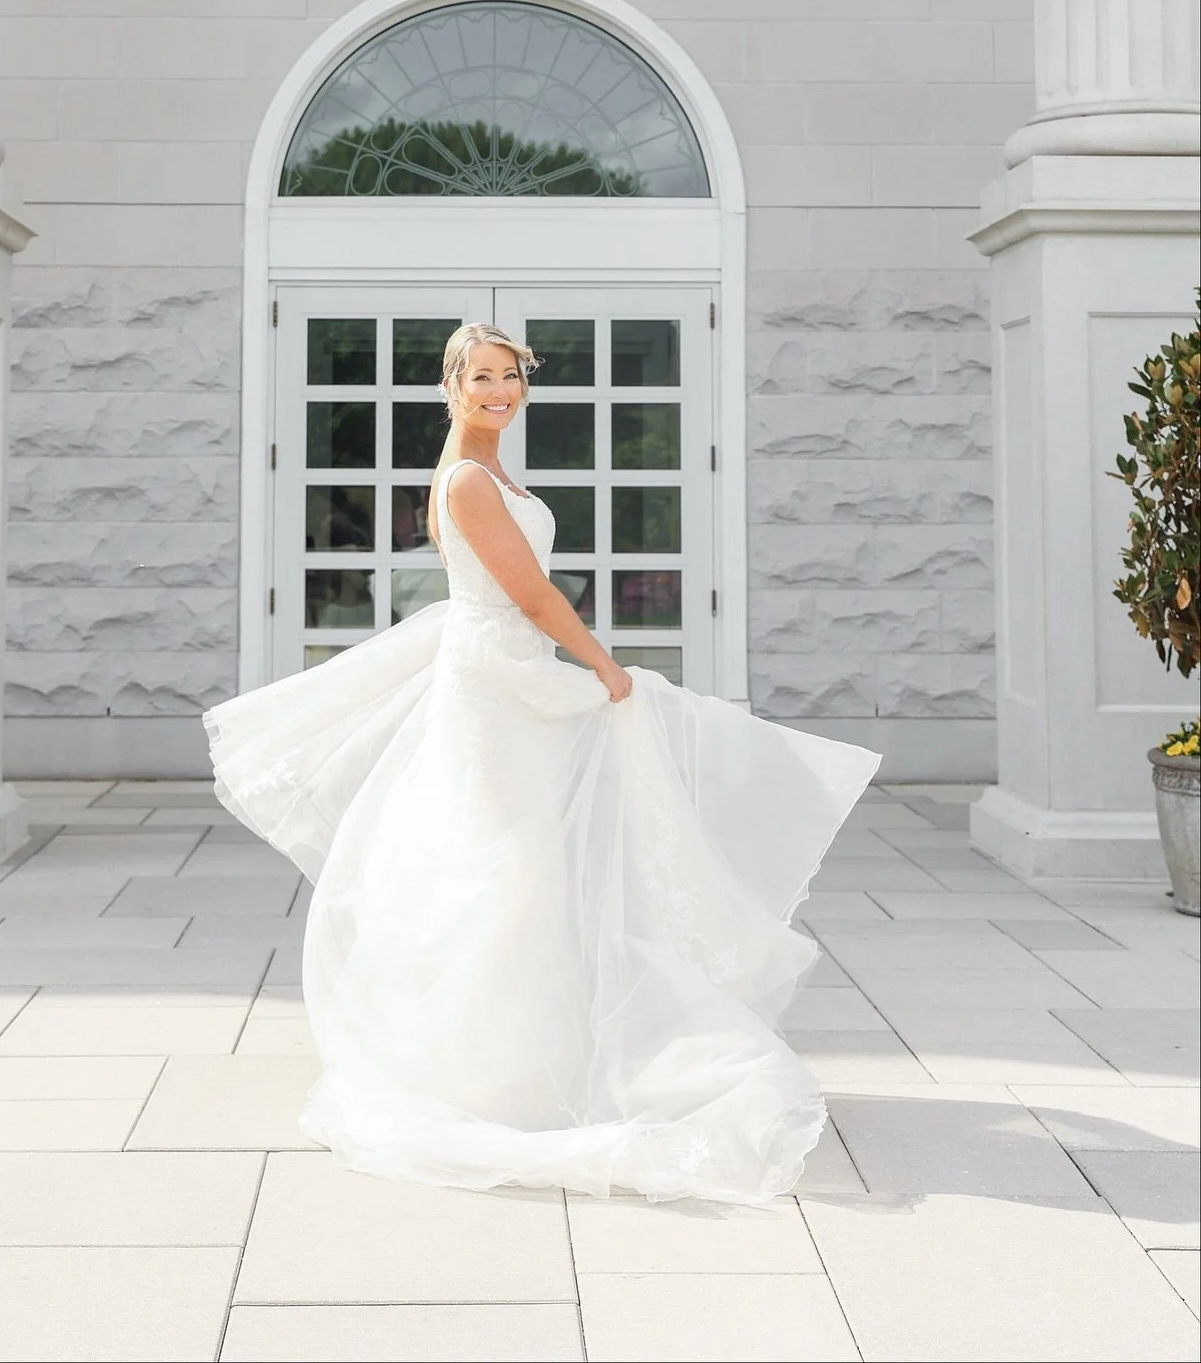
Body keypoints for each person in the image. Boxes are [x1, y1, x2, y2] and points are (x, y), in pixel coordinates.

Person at [205, 322, 880, 1204]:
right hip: (492, 692)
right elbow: (528, 592)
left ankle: (526, 1061)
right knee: (507, 869)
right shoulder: (469, 481)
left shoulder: (486, 473)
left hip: (507, 679)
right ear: (452, 385)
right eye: (482, 377)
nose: (500, 392)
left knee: (530, 870)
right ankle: (478, 1080)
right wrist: (599, 663)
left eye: (511, 378)